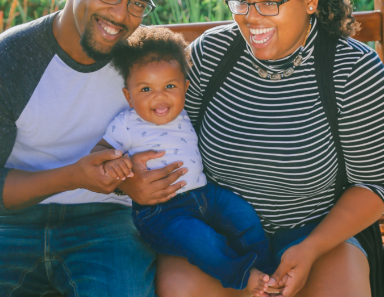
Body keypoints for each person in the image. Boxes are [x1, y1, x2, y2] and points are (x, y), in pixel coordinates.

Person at [156, 0, 384, 297]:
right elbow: (167, 134)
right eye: (241, 1)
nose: (250, 17)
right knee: (177, 287)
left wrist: (309, 250)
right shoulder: (211, 55)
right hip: (219, 238)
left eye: (269, 2)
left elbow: (372, 185)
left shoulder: (352, 70)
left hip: (318, 234)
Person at [0, 0, 187, 296]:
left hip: (109, 225)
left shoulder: (143, 65)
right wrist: (73, 176)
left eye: (137, 2)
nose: (121, 16)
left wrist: (132, 184)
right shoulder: (12, 58)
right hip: (11, 222)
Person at [91, 26, 277, 294]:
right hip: (161, 212)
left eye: (169, 86)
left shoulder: (184, 113)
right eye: (145, 89)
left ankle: (267, 272)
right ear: (128, 96)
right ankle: (242, 277)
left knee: (243, 215)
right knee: (202, 241)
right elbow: (98, 153)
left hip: (204, 195)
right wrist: (115, 164)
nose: (159, 96)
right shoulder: (126, 124)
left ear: (185, 88)